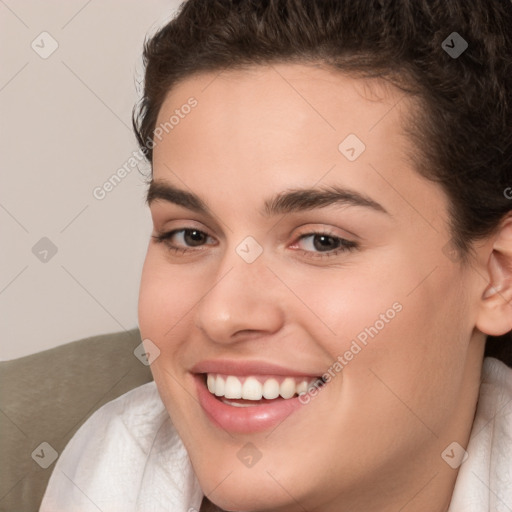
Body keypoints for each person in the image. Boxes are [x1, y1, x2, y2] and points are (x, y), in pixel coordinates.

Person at [40, 1, 512, 511]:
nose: (222, 314)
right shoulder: (76, 462)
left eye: (321, 241)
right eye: (190, 236)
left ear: (497, 276)